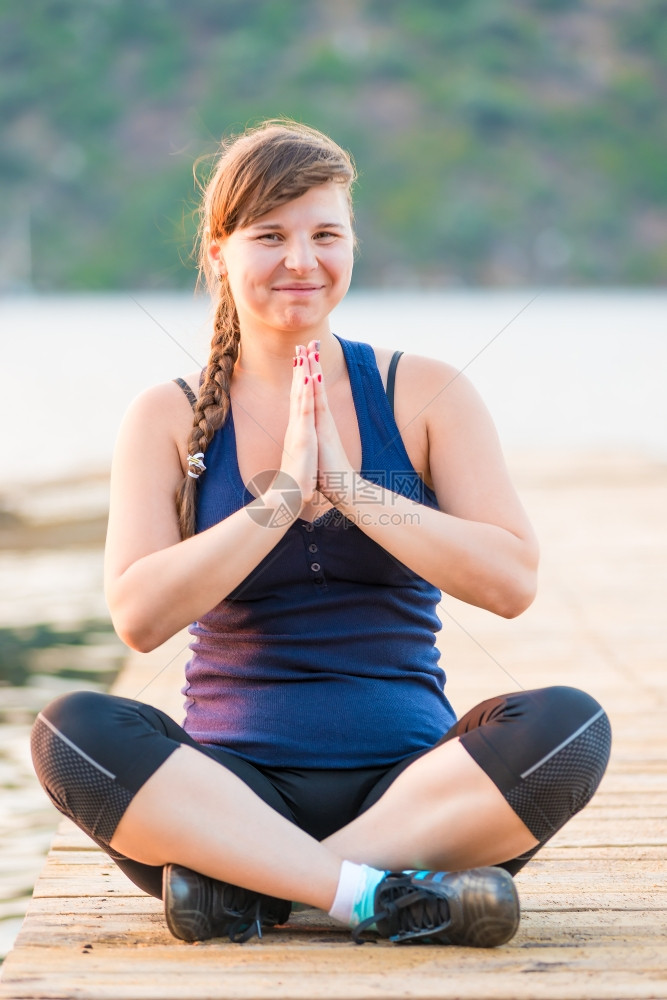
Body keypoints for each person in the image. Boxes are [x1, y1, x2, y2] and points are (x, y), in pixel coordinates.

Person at [31, 120, 611, 948]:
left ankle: (257, 890)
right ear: (220, 248)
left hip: (414, 794)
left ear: (351, 244)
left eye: (324, 235)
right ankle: (382, 897)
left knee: (572, 727)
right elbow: (139, 615)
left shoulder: (425, 392)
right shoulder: (166, 415)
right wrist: (277, 504)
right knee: (69, 731)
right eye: (270, 236)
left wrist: (350, 488)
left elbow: (510, 581)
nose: (300, 261)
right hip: (228, 794)